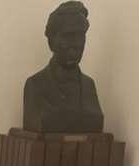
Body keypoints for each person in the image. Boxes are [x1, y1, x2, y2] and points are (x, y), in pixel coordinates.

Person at [22, 1, 104, 133]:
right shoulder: (35, 86)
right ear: (51, 42)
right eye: (68, 36)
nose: (75, 44)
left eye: (80, 36)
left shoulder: (89, 86)